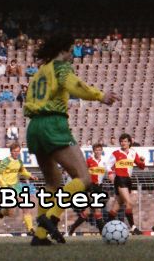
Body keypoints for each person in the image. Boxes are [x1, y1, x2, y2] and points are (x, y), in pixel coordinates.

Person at [23, 32, 119, 245]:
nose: (73, 54)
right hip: (53, 124)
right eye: (72, 49)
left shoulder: (39, 73)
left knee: (52, 183)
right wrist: (99, 96)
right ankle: (50, 218)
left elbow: (28, 101)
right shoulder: (60, 67)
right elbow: (74, 85)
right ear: (65, 49)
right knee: (83, 178)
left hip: (34, 127)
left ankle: (40, 236)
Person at [106, 133, 146, 235]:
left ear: (129, 142)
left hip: (128, 180)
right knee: (129, 203)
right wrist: (110, 174)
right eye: (122, 141)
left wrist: (142, 161)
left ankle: (105, 226)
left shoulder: (133, 153)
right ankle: (133, 227)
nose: (123, 143)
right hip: (120, 179)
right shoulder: (116, 153)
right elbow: (108, 165)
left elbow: (141, 166)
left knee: (118, 205)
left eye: (125, 141)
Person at [0, 141, 37, 235]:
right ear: (11, 151)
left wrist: (30, 176)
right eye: (14, 151)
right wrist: (4, 185)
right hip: (6, 187)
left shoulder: (19, 161)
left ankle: (30, 229)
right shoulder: (6, 161)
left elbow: (23, 171)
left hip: (16, 186)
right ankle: (1, 212)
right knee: (10, 212)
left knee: (26, 206)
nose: (16, 153)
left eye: (18, 151)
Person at [68, 143, 107, 235]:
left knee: (88, 211)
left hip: (99, 187)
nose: (98, 151)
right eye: (96, 150)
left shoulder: (104, 162)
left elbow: (108, 172)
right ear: (93, 151)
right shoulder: (89, 161)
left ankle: (72, 228)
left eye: (99, 150)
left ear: (102, 151)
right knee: (97, 209)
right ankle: (103, 232)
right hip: (90, 186)